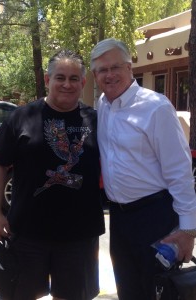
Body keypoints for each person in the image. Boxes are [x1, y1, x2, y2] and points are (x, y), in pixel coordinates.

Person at [0, 49, 105, 300]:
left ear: (83, 83)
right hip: (27, 234)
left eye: (74, 78)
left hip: (80, 236)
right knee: (20, 295)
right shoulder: (22, 117)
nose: (67, 84)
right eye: (60, 77)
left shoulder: (97, 121)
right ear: (48, 79)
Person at [90, 38, 196, 300]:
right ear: (94, 75)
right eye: (102, 70)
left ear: (130, 68)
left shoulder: (156, 107)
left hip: (155, 216)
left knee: (158, 291)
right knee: (128, 288)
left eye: (116, 67)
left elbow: (179, 171)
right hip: (120, 217)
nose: (110, 74)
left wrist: (188, 229)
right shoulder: (103, 104)